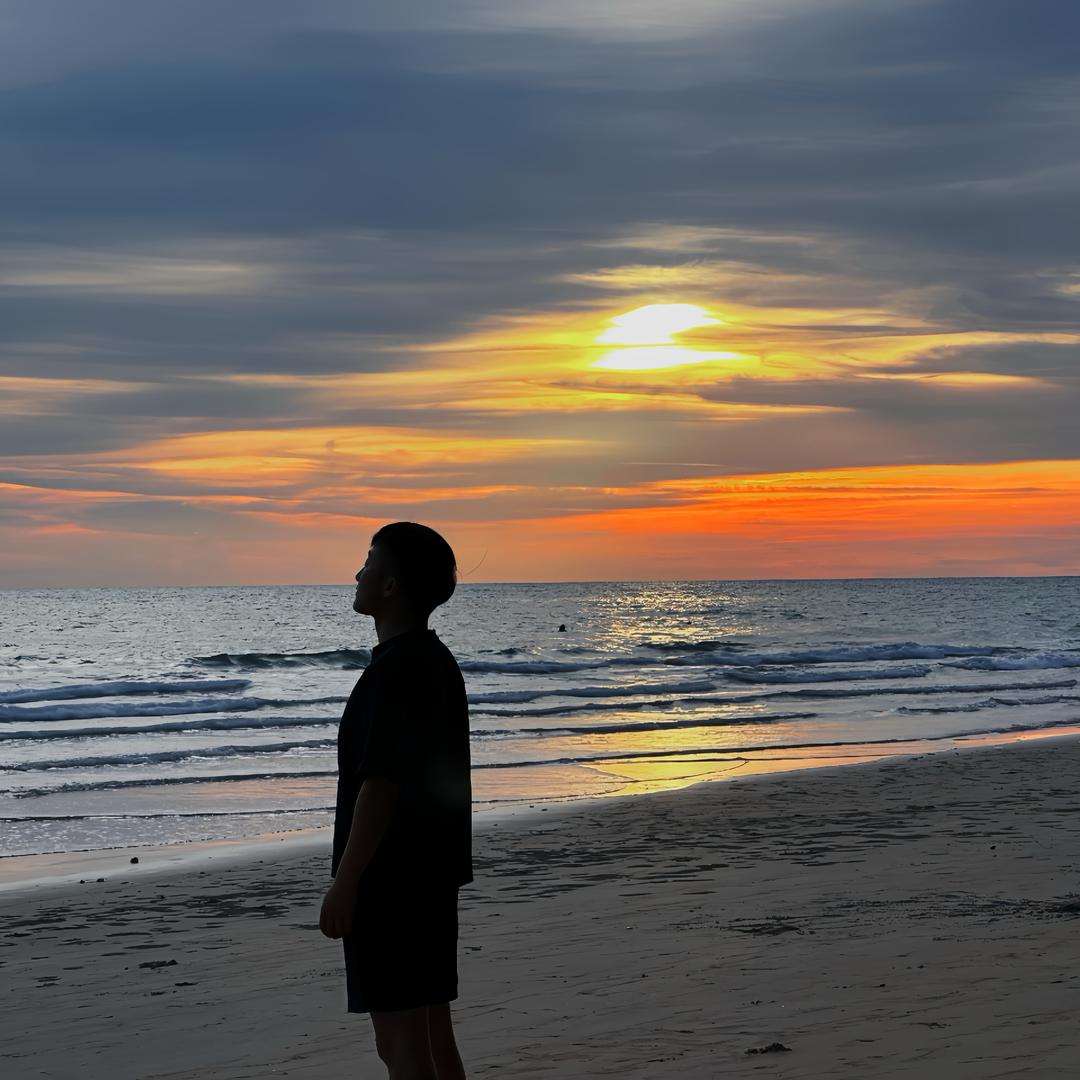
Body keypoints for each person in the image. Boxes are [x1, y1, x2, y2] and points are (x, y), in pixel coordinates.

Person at [319, 521, 473, 1080]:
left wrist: (346, 881)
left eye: (368, 563)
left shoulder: (398, 669)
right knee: (432, 1032)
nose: (357, 573)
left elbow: (379, 787)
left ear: (390, 586)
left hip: (392, 884)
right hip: (429, 878)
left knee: (399, 1043)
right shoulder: (434, 662)